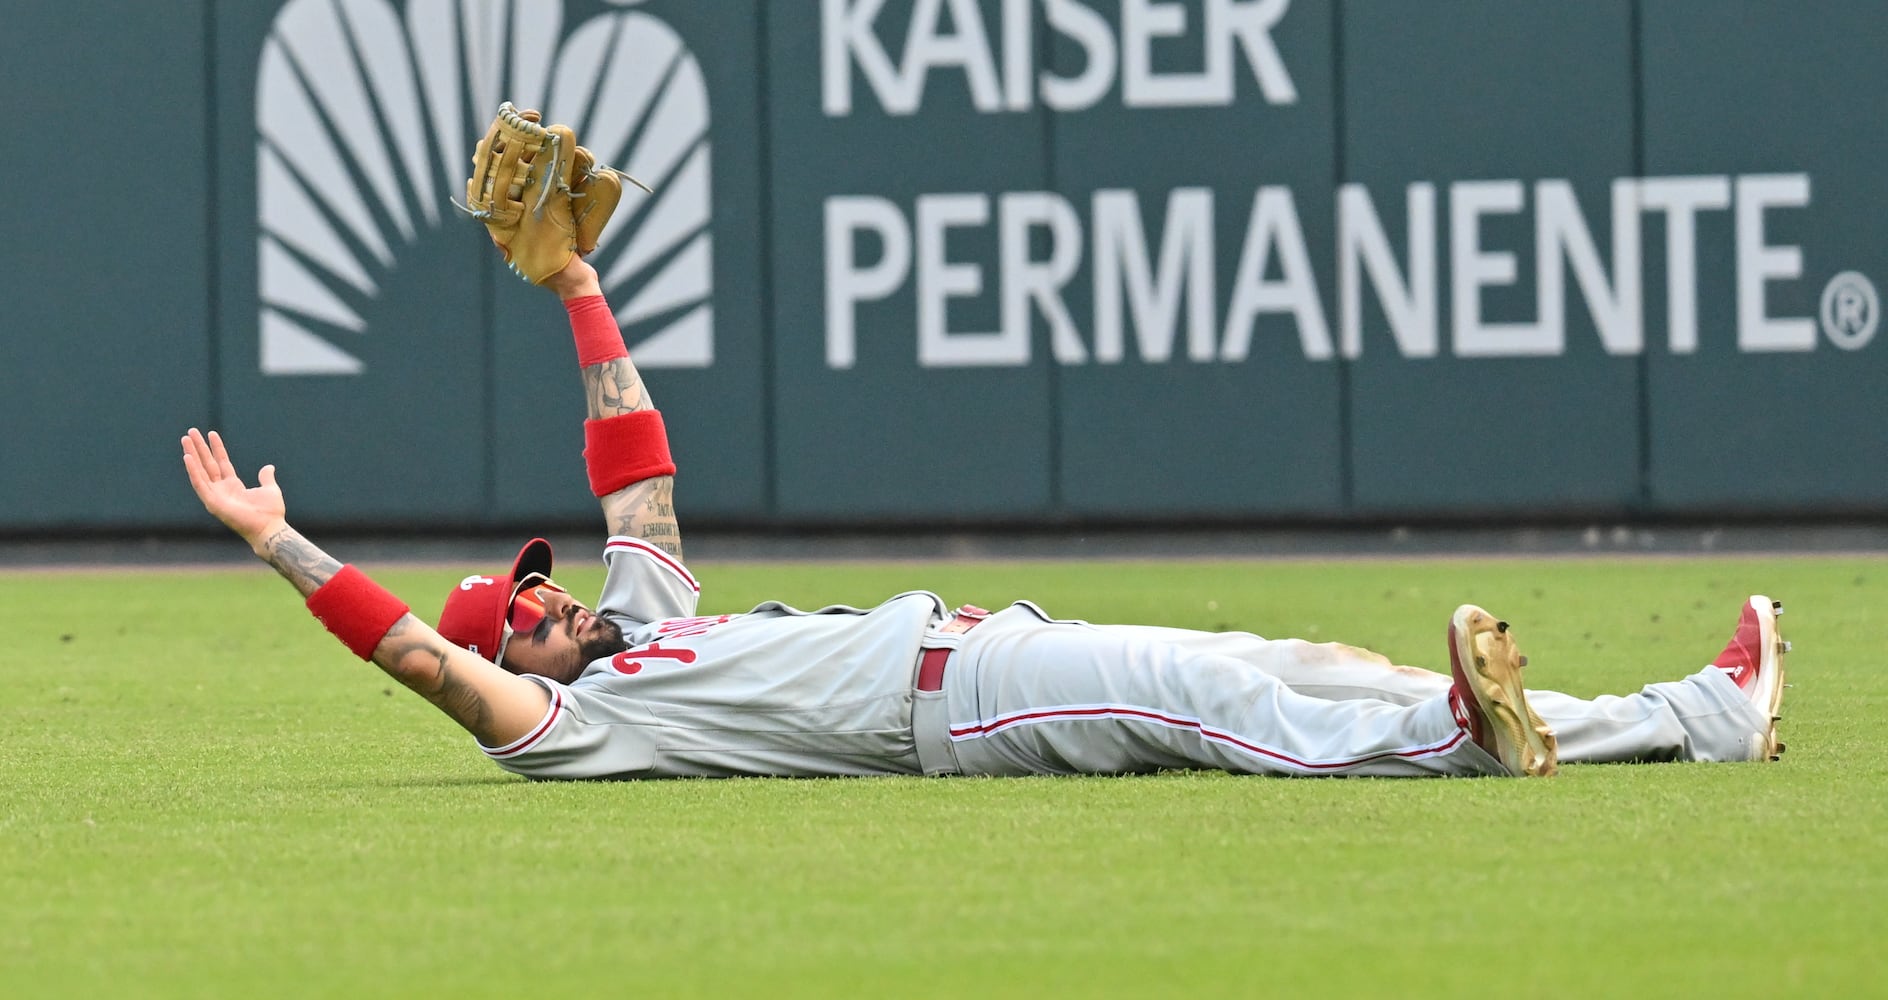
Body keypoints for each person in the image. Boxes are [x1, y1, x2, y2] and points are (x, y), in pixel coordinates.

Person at [180, 256, 1787, 783]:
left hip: (990, 642)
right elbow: (418, 660)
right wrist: (279, 550)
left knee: (1294, 655)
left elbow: (639, 474)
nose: (544, 600)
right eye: (519, 610)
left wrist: (587, 292)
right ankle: (1463, 744)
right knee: (1233, 709)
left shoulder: (644, 621)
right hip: (961, 705)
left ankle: (1690, 717)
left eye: (533, 588)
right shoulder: (588, 721)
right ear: (513, 658)